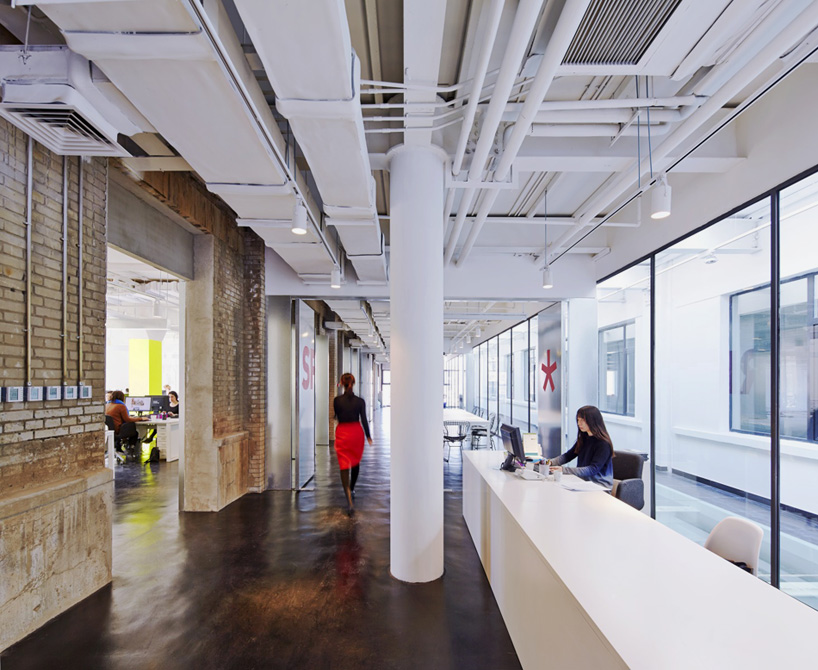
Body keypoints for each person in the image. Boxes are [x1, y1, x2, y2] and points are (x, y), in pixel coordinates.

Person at [333, 373, 372, 516]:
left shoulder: (336, 401)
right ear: (353, 383)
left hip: (343, 432)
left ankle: (348, 496)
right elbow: (364, 420)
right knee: (355, 462)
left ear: (342, 383)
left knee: (344, 465)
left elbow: (337, 416)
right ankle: (353, 487)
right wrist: (368, 436)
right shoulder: (360, 401)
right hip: (356, 433)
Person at [546, 405, 614, 488]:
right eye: (578, 420)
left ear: (593, 421)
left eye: (582, 420)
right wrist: (548, 463)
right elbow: (567, 456)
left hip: (599, 485)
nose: (579, 423)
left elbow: (592, 469)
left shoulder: (603, 444)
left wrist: (563, 470)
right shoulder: (584, 438)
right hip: (582, 482)